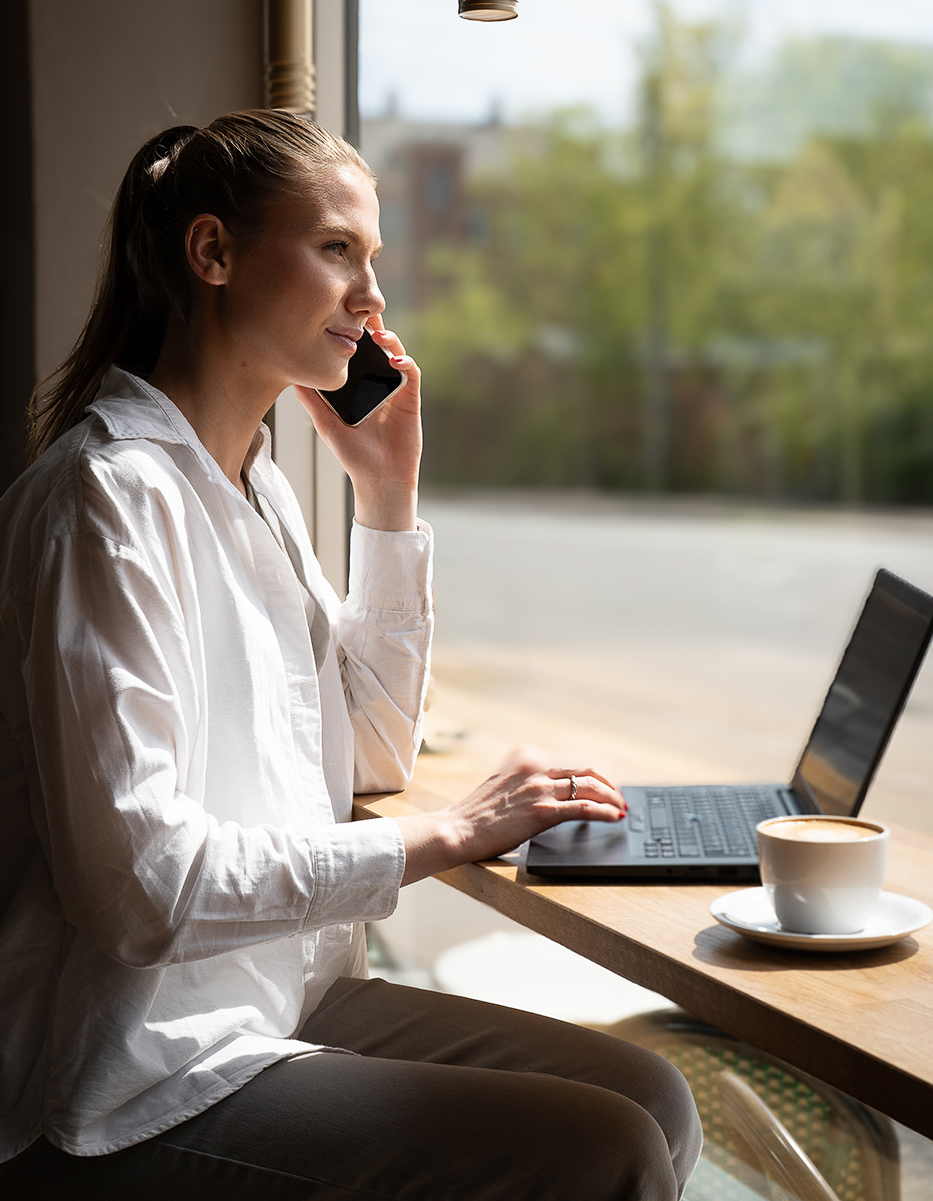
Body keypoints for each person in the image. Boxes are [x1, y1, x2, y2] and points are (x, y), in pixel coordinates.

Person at [0, 110, 701, 1199]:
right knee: (602, 1151)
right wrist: (456, 830)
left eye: (371, 257)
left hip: (271, 999)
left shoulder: (249, 483)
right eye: (337, 250)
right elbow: (137, 891)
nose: (373, 297)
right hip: (135, 1072)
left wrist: (386, 495)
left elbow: (366, 750)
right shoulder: (111, 499)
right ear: (214, 254)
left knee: (655, 1099)